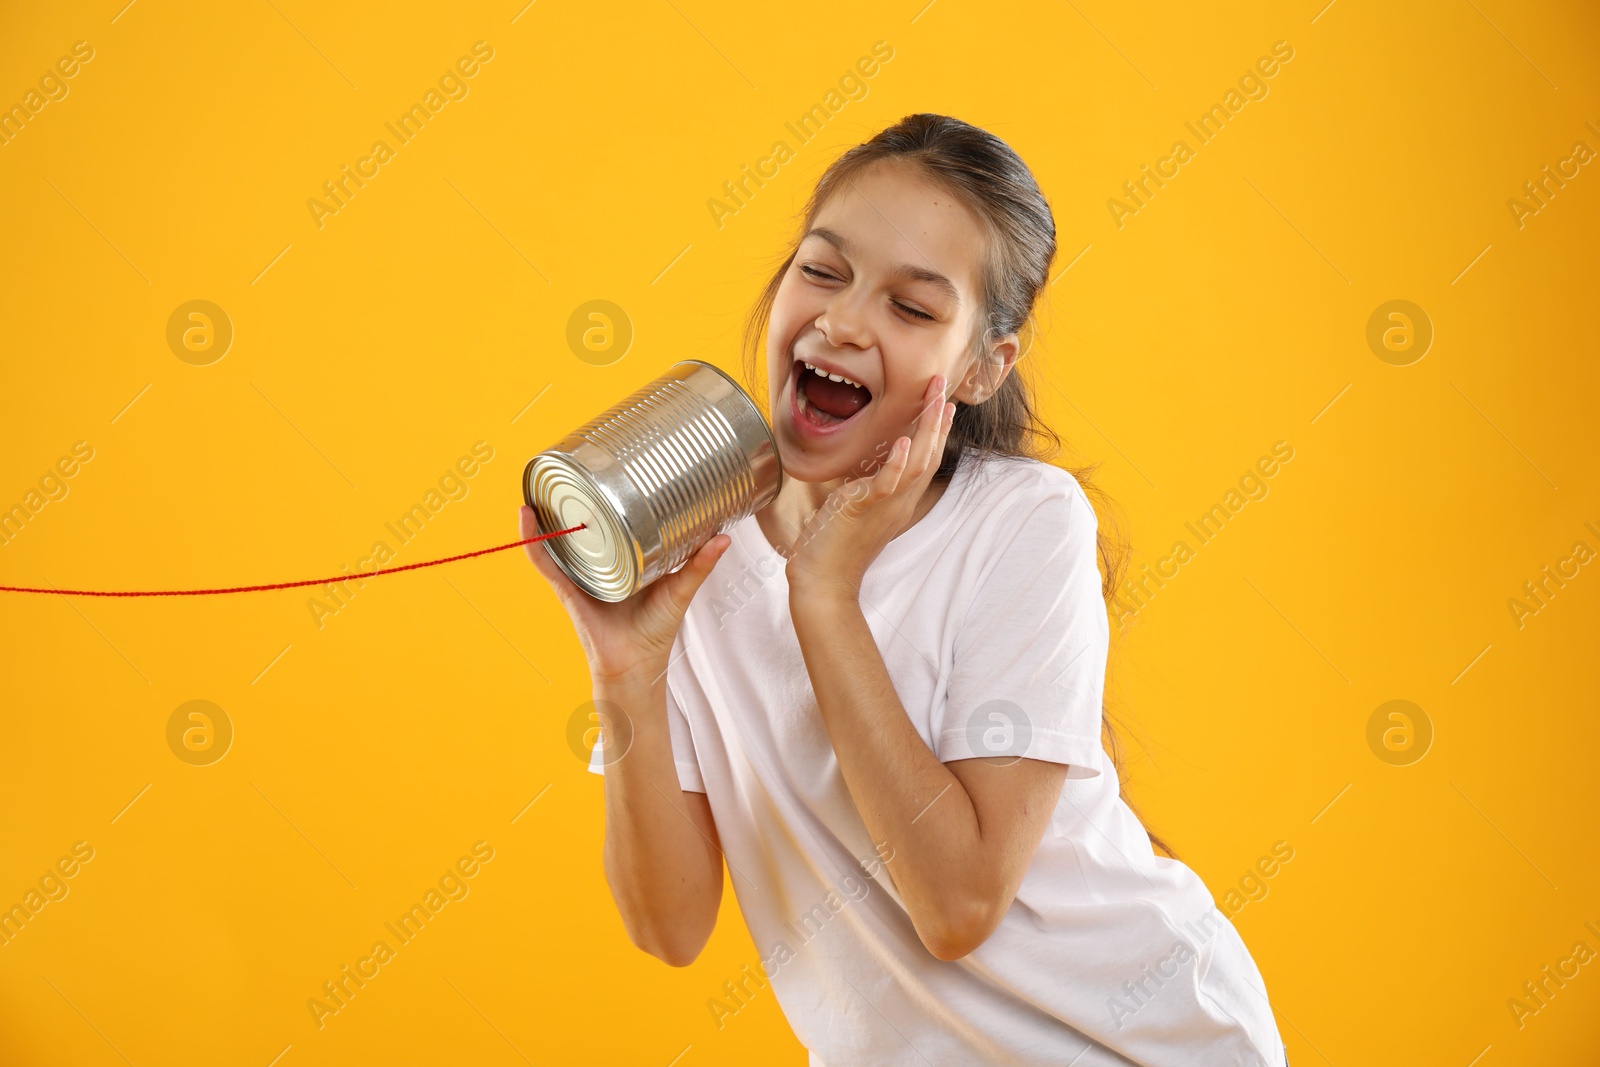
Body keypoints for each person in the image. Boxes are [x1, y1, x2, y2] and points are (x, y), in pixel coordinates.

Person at [522, 113, 1289, 1066]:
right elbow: (668, 925)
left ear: (979, 367)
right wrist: (626, 668)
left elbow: (957, 904)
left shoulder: (1022, 522)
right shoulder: (697, 554)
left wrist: (825, 593)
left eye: (913, 308)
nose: (843, 321)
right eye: (823, 271)